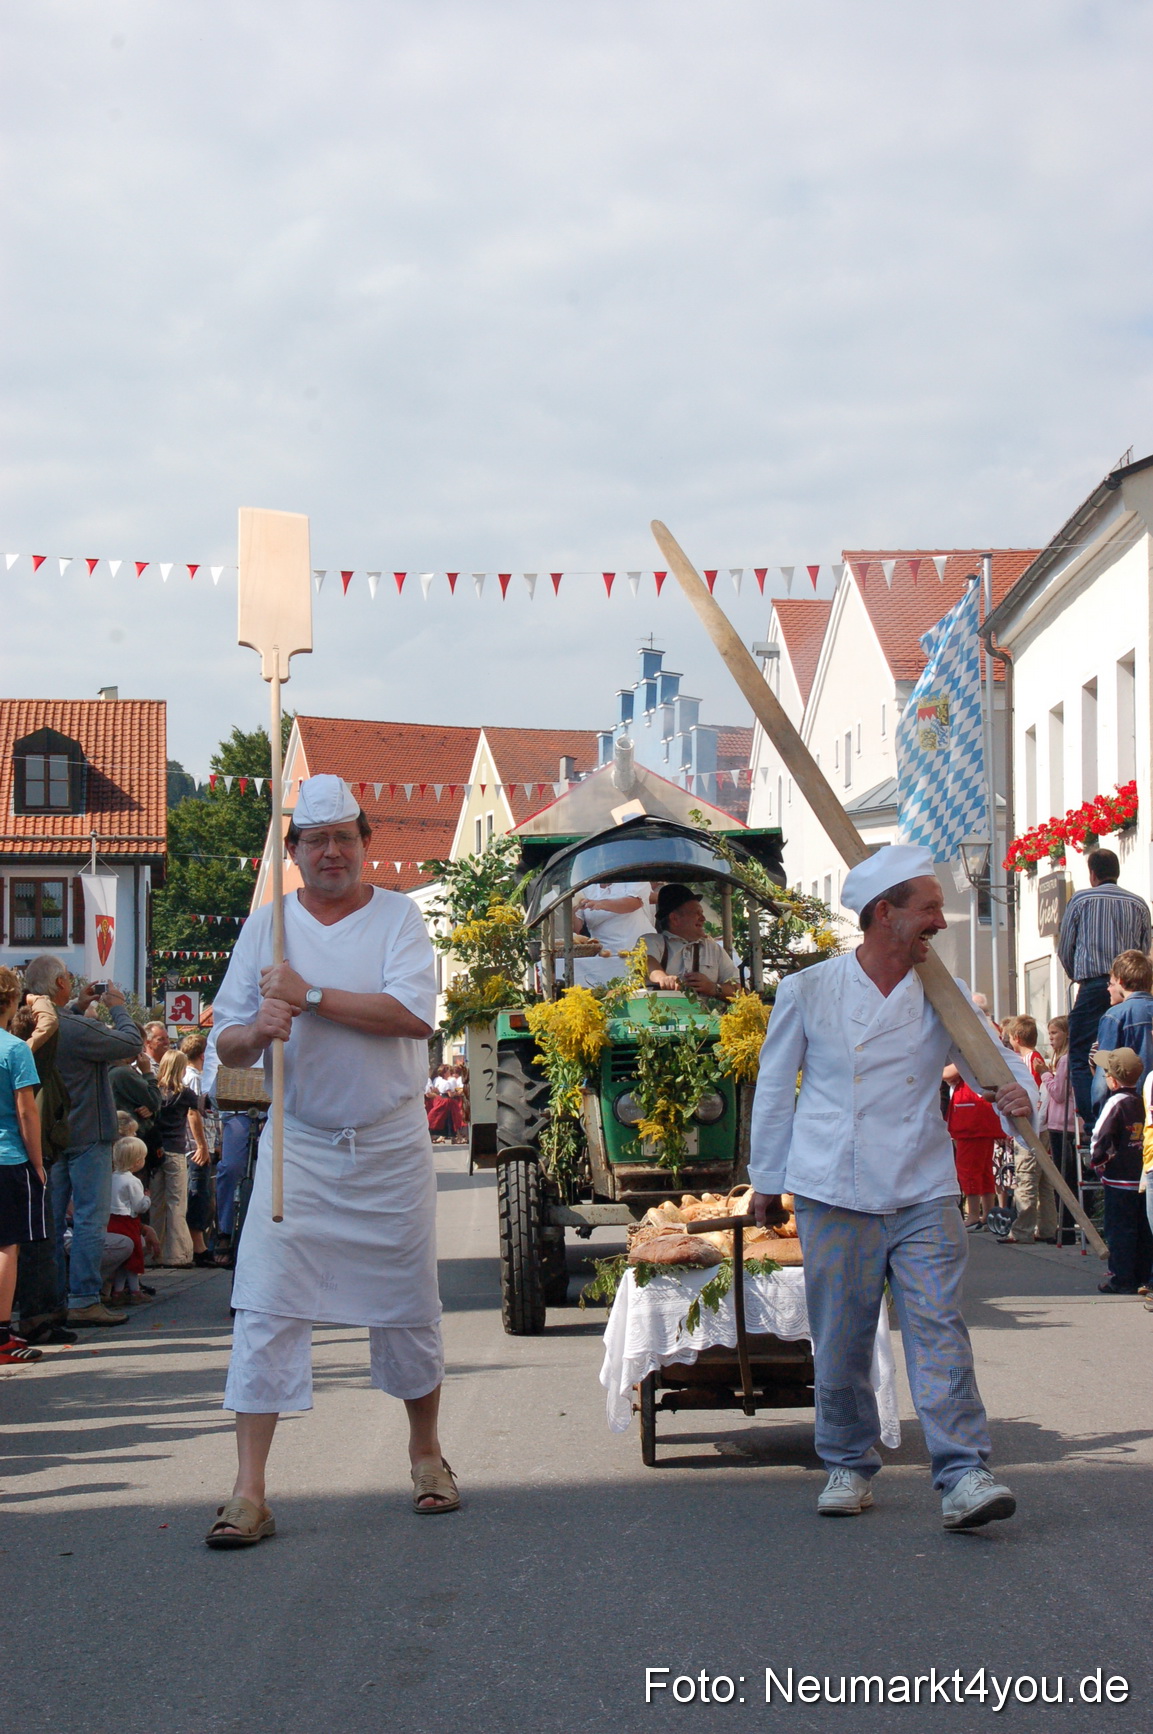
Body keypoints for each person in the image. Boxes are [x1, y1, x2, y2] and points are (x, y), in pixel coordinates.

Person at [748, 843, 1036, 1530]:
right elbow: (772, 1089)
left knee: (937, 1328)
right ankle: (847, 1463)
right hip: (831, 1187)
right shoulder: (808, 989)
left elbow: (991, 1069)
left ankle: (963, 1472)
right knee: (842, 1334)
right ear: (885, 915)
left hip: (920, 1183)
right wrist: (767, 1177)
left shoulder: (945, 992)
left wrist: (1016, 1100)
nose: (941, 920)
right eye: (928, 908)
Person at [205, 773, 457, 1548]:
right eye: (317, 841)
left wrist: (310, 996)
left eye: (345, 837)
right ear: (295, 851)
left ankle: (425, 1455)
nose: (332, 852)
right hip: (299, 1149)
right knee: (265, 1310)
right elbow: (227, 1042)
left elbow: (412, 1014)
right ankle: (249, 1491)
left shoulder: (398, 919)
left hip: (386, 1148)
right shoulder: (268, 927)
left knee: (409, 1310)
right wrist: (259, 1027)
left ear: (363, 844)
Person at [38, 959, 143, 1327]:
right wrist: (116, 1006)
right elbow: (130, 1042)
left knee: (49, 1222)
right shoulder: (74, 1027)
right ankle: (83, 1297)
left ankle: (49, 1299)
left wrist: (78, 1007)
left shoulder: (35, 1023)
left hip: (49, 1135)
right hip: (86, 1131)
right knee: (88, 1220)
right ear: (61, 982)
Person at [1057, 849, 1151, 1129]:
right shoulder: (1138, 904)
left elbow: (1065, 948)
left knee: (1082, 1051)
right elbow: (1144, 950)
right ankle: (1136, 1112)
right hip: (1132, 988)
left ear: (1093, 874)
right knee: (1134, 1050)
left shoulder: (1082, 899)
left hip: (1093, 984)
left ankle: (1094, 1121)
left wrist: (1080, 977)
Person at [0, 968, 48, 1365]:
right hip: (7, 1157)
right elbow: (26, 1111)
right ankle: (1, 1335)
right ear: (12, 1002)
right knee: (5, 1247)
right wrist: (37, 1161)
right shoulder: (13, 1049)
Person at [1088, 1047, 1150, 1294]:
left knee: (1119, 1229)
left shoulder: (1115, 1102)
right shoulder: (1141, 1101)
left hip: (1118, 1179)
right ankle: (1143, 1275)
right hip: (1141, 1176)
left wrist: (1098, 1161)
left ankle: (1121, 1278)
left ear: (1112, 1080)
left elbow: (1099, 1136)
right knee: (1143, 1229)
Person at [998, 1017, 1056, 1246]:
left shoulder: (1028, 1061)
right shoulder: (1035, 1058)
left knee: (1026, 1178)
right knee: (1043, 1181)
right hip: (1043, 1126)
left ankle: (1022, 1230)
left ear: (1016, 1038)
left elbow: (1034, 1094)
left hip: (1033, 1127)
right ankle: (1047, 1226)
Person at [150, 1050, 204, 1268]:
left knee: (156, 1204)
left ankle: (154, 1253)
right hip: (176, 1150)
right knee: (176, 1204)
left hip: (155, 1152)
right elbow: (200, 1110)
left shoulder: (153, 1091)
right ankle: (177, 1254)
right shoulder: (185, 1093)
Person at [1088, 950, 1153, 1122]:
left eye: (1111, 983)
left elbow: (1104, 1075)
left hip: (1130, 1113)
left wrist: (1100, 1115)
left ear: (1121, 982)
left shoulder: (1115, 1016)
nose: (1108, 989)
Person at [645, 885, 739, 1001]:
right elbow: (648, 962)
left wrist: (713, 988)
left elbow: (740, 990)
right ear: (675, 918)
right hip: (660, 1016)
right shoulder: (652, 941)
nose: (703, 918)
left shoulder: (713, 948)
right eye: (697, 913)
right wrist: (663, 978)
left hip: (708, 1017)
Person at [944, 1067, 1002, 1231]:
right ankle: (988, 1214)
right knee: (983, 1169)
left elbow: (947, 1073)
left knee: (968, 1169)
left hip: (971, 1118)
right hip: (979, 1116)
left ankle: (974, 1215)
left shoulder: (966, 1050)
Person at [107, 1134, 159, 1306]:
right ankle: (135, 1291)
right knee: (133, 1259)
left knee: (122, 1261)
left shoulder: (110, 1178)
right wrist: (147, 1198)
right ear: (137, 1161)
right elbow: (139, 1207)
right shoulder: (133, 1181)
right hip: (128, 1222)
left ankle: (118, 1292)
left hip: (111, 1220)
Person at [1042, 1016, 1080, 1244]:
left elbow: (1059, 1092)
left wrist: (1045, 1074)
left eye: (1054, 1034)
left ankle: (1065, 1230)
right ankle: (1064, 1227)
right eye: (1049, 1034)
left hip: (1063, 1124)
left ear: (1066, 1033)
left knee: (1064, 1178)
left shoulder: (1065, 1060)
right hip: (1061, 1122)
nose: (1051, 1039)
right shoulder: (1064, 1059)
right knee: (1066, 1178)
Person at [573, 882, 655, 986]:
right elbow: (577, 928)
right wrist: (570, 911)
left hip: (639, 953)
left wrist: (600, 904)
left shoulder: (632, 878)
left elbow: (634, 903)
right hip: (605, 958)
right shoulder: (585, 886)